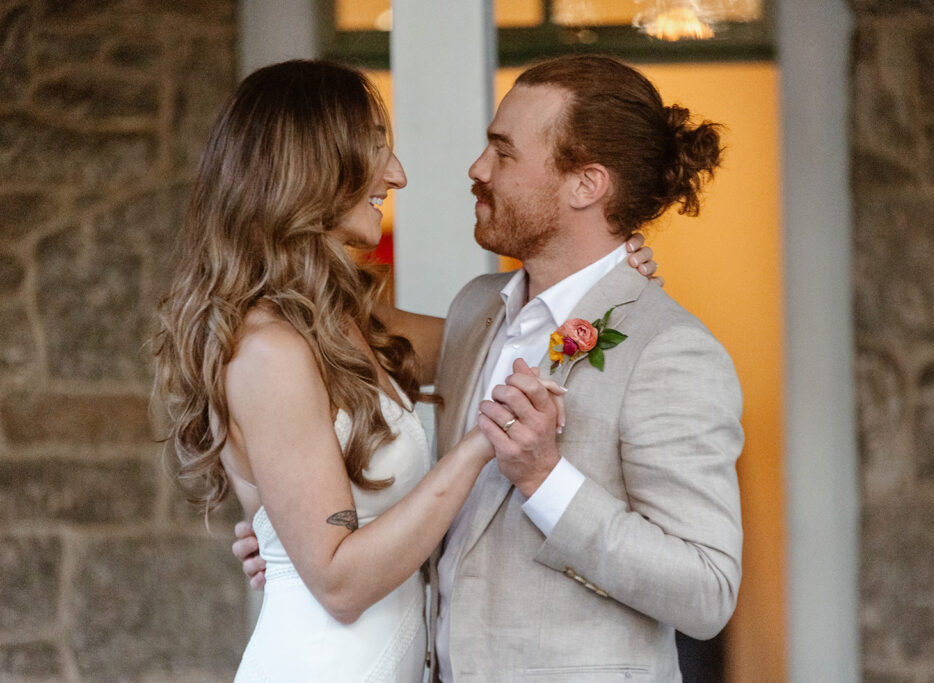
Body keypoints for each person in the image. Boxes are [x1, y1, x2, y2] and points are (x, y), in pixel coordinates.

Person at [154, 60, 656, 682]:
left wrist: (599, 276)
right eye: (374, 150)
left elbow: (510, 346)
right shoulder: (268, 351)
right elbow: (338, 581)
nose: (397, 175)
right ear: (309, 166)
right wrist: (481, 444)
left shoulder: (353, 325)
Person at [430, 55, 744, 682]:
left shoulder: (671, 350)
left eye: (503, 152)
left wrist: (545, 480)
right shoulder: (474, 309)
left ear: (586, 185)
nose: (477, 169)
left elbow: (707, 591)